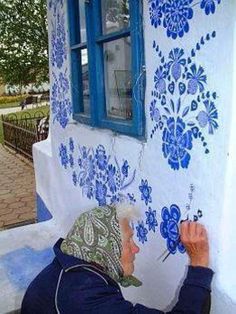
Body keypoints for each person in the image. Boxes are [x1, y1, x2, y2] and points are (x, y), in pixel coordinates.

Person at [21, 205, 213, 313]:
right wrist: (199, 263)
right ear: (106, 246)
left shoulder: (69, 268)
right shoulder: (84, 297)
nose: (136, 248)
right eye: (129, 241)